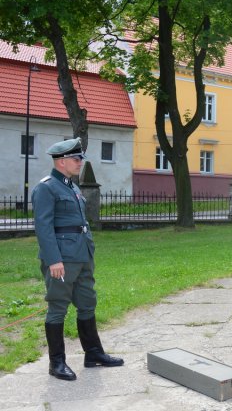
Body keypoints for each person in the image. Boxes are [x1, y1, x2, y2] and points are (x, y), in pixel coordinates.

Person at [32, 138, 124, 381]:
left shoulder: (71, 187)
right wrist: (53, 260)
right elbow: (43, 227)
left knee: (87, 303)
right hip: (62, 259)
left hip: (82, 255)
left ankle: (93, 353)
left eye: (80, 158)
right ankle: (57, 363)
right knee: (58, 307)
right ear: (62, 162)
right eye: (76, 159)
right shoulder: (47, 187)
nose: (80, 162)